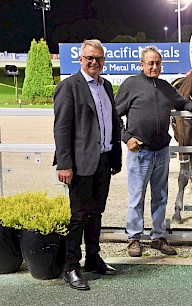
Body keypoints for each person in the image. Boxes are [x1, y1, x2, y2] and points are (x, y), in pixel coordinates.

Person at [115, 46, 192, 258]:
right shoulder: (131, 85)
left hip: (161, 152)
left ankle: (157, 237)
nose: (154, 66)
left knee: (161, 197)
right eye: (150, 63)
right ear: (142, 64)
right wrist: (127, 138)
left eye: (157, 63)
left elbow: (184, 101)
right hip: (140, 152)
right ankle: (134, 239)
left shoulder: (165, 87)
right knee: (137, 197)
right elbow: (113, 116)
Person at [53, 39, 122, 290]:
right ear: (80, 59)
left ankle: (93, 258)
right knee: (79, 216)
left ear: (104, 61)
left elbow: (112, 123)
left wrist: (115, 156)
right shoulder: (69, 86)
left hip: (103, 160)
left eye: (99, 58)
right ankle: (71, 266)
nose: (94, 62)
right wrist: (64, 164)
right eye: (89, 58)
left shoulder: (106, 87)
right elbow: (62, 129)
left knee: (96, 213)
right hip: (80, 164)